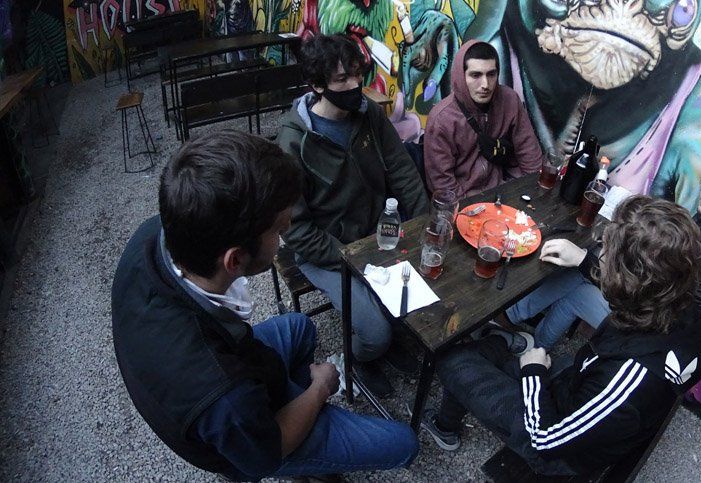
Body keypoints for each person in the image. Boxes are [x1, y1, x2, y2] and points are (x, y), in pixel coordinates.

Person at [111, 130, 418, 481]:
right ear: (235, 259)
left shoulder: (155, 235)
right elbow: (271, 449)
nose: (285, 238)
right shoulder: (223, 394)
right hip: (253, 443)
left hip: (233, 374)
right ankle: (305, 449)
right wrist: (319, 389)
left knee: (300, 327)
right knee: (404, 443)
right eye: (279, 231)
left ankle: (300, 422)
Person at [421, 196, 701, 476]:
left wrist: (533, 373)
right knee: (480, 353)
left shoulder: (626, 381)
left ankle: (448, 421)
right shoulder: (676, 303)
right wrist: (583, 260)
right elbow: (634, 289)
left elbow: (545, 439)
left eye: (606, 253)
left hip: (557, 449)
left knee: (451, 357)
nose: (600, 255)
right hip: (575, 386)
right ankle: (493, 359)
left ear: (629, 281)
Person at [276, 34, 429, 397]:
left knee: (414, 302)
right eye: (342, 79)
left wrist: (424, 224)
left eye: (358, 74)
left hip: (376, 235)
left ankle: (385, 345)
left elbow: (401, 170)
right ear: (317, 85)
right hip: (326, 252)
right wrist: (352, 259)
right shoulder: (293, 142)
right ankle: (358, 357)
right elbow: (295, 230)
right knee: (375, 334)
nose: (355, 85)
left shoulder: (368, 113)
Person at [501, 152, 701, 350]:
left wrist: (664, 310)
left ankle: (513, 321)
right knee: (580, 283)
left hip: (660, 332)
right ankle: (533, 348)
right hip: (651, 306)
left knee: (582, 271)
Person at [423, 40, 542, 198]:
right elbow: (443, 184)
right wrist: (471, 208)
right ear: (461, 76)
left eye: (491, 74)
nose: (485, 84)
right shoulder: (442, 119)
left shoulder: (510, 100)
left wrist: (531, 194)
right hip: (464, 200)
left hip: (503, 192)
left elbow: (529, 153)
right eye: (476, 75)